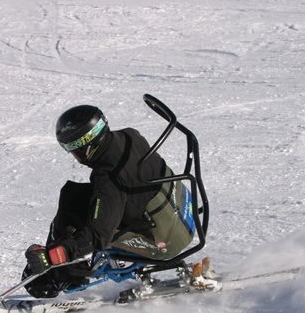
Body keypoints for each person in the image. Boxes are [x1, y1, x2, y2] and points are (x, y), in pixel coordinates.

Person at [23, 105, 195, 298]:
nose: (72, 155)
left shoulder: (109, 178)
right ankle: (66, 270)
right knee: (72, 197)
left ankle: (60, 277)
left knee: (79, 223)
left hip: (164, 238)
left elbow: (98, 236)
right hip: (179, 213)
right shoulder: (129, 136)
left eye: (71, 148)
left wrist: (53, 256)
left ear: (85, 147)